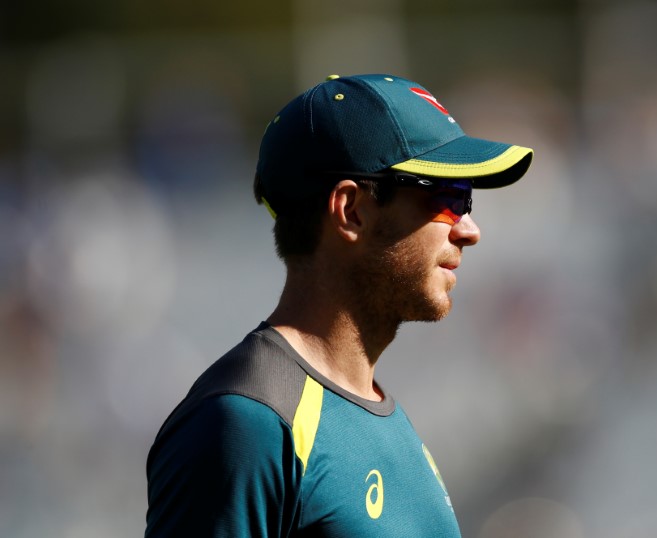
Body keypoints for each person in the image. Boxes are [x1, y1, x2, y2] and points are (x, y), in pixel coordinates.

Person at [145, 73, 533, 537]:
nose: (469, 229)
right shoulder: (250, 422)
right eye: (447, 197)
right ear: (351, 210)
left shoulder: (371, 411)